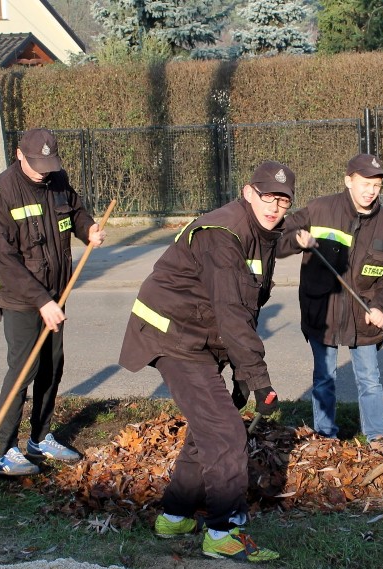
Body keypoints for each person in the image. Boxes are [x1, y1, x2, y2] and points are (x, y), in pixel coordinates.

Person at [118, 161, 295, 562]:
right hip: (173, 335)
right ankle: (224, 531)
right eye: (268, 196)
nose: (275, 206)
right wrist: (260, 381)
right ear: (248, 192)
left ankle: (177, 515)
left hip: (200, 336)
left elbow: (246, 307)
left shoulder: (262, 233)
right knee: (227, 433)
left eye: (283, 201)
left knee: (207, 428)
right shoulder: (223, 233)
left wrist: (242, 374)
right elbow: (232, 311)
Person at [0, 128, 106, 476]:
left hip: (57, 292)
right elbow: (3, 259)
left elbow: (76, 212)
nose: (43, 170)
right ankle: (6, 450)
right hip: (21, 298)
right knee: (24, 370)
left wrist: (89, 230)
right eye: (37, 163)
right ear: (19, 154)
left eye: (48, 163)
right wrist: (40, 300)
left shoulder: (57, 180)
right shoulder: (1, 194)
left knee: (52, 367)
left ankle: (40, 437)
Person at [278, 153, 383, 458]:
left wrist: (382, 308)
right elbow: (278, 240)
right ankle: (325, 437)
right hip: (323, 313)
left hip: (364, 318)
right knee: (325, 377)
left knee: (370, 379)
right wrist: (297, 239)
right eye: (364, 183)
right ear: (348, 181)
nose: (370, 190)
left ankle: (376, 438)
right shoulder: (320, 209)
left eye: (376, 185)